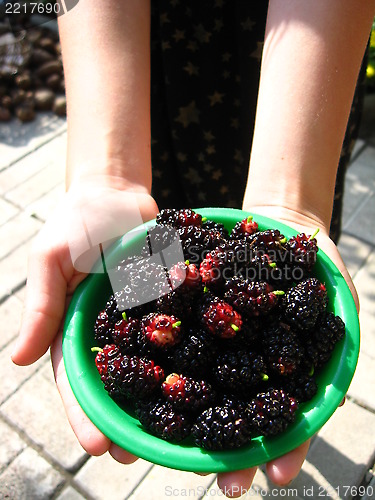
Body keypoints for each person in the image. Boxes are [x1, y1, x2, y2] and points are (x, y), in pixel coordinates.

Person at [11, 0, 374, 497]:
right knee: (163, 238)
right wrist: (107, 172)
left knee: (197, 252)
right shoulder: (176, 288)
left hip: (299, 80)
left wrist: (294, 200)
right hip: (155, 72)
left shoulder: (240, 291)